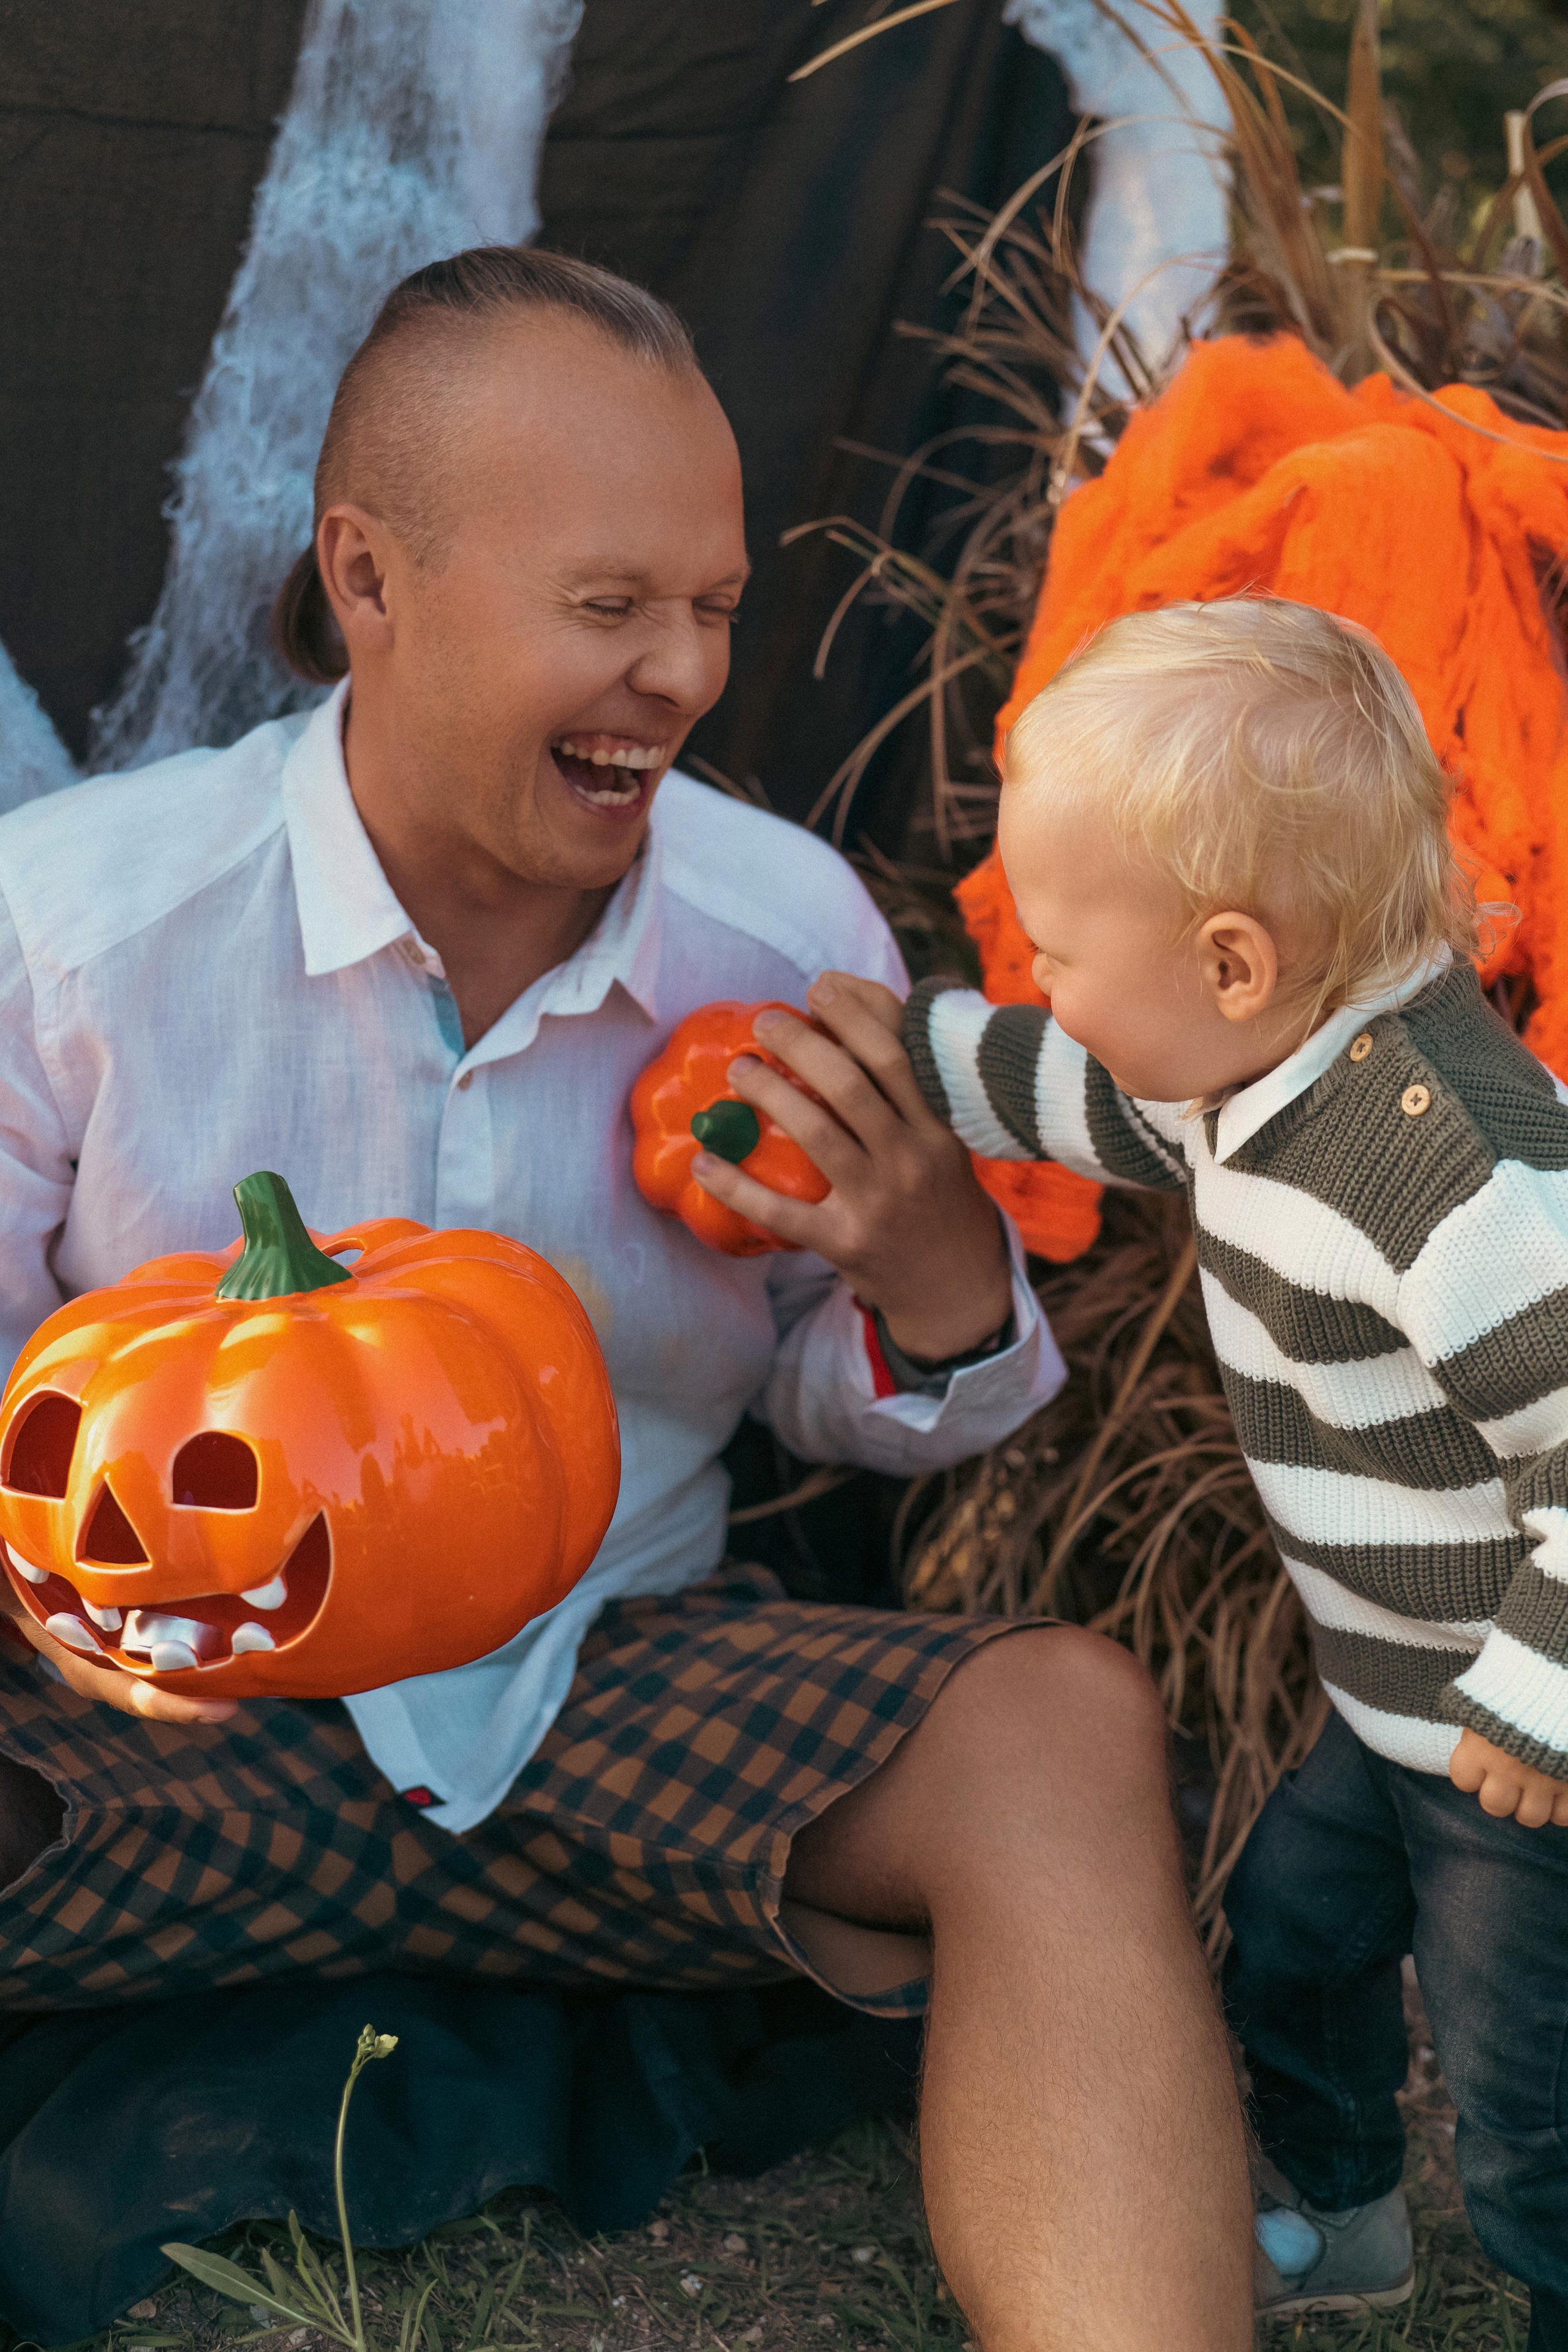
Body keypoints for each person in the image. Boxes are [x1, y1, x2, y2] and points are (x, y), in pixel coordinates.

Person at [0, 250, 1251, 2350]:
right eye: (611, 608)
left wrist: (939, 1284)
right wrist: (96, 1633)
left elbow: (846, 1407)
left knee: (1060, 1730)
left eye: (716, 609)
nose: (681, 671)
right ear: (369, 579)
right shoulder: (72, 933)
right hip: (161, 1713)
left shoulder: (782, 933)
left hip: (612, 1693)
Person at [878, 593, 1568, 2345]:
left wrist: (1541, 1706)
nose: (1043, 980)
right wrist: (914, 1049)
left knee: (1523, 2085)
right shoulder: (1254, 1068)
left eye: (1057, 953)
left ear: (1235, 962)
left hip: (1520, 1754)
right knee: (1298, 1932)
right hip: (1392, 1700)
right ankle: (1347, 2220)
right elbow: (1102, 1097)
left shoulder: (1457, 1181)